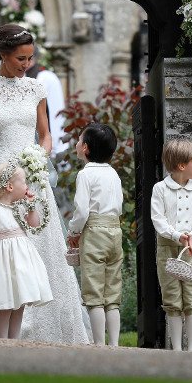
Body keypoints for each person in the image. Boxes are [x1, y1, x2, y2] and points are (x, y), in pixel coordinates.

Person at [0, 23, 90, 343]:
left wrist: (37, 158)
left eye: (30, 58)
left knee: (39, 247)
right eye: (20, 58)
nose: (26, 64)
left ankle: (46, 325)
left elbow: (46, 136)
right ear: (2, 55)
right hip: (0, 178)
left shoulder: (35, 89)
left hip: (31, 177)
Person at [0, 162, 54, 339]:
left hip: (22, 263)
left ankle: (15, 341)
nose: (27, 186)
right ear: (10, 186)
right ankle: (2, 340)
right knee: (5, 305)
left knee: (20, 305)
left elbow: (34, 224)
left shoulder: (19, 208)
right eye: (24, 182)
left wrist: (32, 206)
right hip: (3, 265)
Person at [150, 138, 192, 352]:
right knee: (172, 298)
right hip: (167, 248)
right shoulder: (160, 189)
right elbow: (158, 219)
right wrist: (177, 235)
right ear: (182, 166)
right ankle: (176, 349)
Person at [66, 123, 123, 346]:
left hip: (95, 231)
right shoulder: (114, 174)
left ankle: (99, 344)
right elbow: (118, 203)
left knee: (94, 291)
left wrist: (74, 231)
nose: (77, 145)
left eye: (79, 141)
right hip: (114, 231)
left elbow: (81, 210)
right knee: (112, 292)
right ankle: (115, 344)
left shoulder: (85, 175)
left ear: (86, 148)